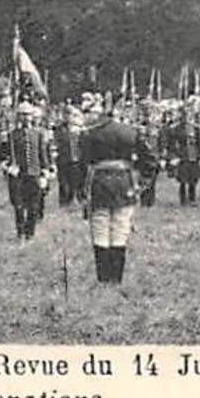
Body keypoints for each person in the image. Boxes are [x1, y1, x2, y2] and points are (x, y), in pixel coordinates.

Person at [81, 98, 147, 285]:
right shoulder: (130, 132)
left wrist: (81, 189)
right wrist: (142, 183)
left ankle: (103, 277)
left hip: (99, 183)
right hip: (124, 184)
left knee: (100, 227)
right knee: (121, 226)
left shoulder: (90, 134)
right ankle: (116, 278)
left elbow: (82, 164)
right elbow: (149, 160)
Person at [6, 102, 51, 239]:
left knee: (33, 205)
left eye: (28, 115)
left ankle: (30, 232)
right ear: (18, 117)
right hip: (18, 175)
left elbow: (42, 154)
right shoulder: (12, 135)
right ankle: (20, 232)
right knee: (18, 205)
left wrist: (45, 171)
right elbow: (4, 155)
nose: (26, 118)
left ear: (32, 117)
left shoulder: (38, 134)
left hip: (34, 173)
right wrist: (9, 167)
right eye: (22, 115)